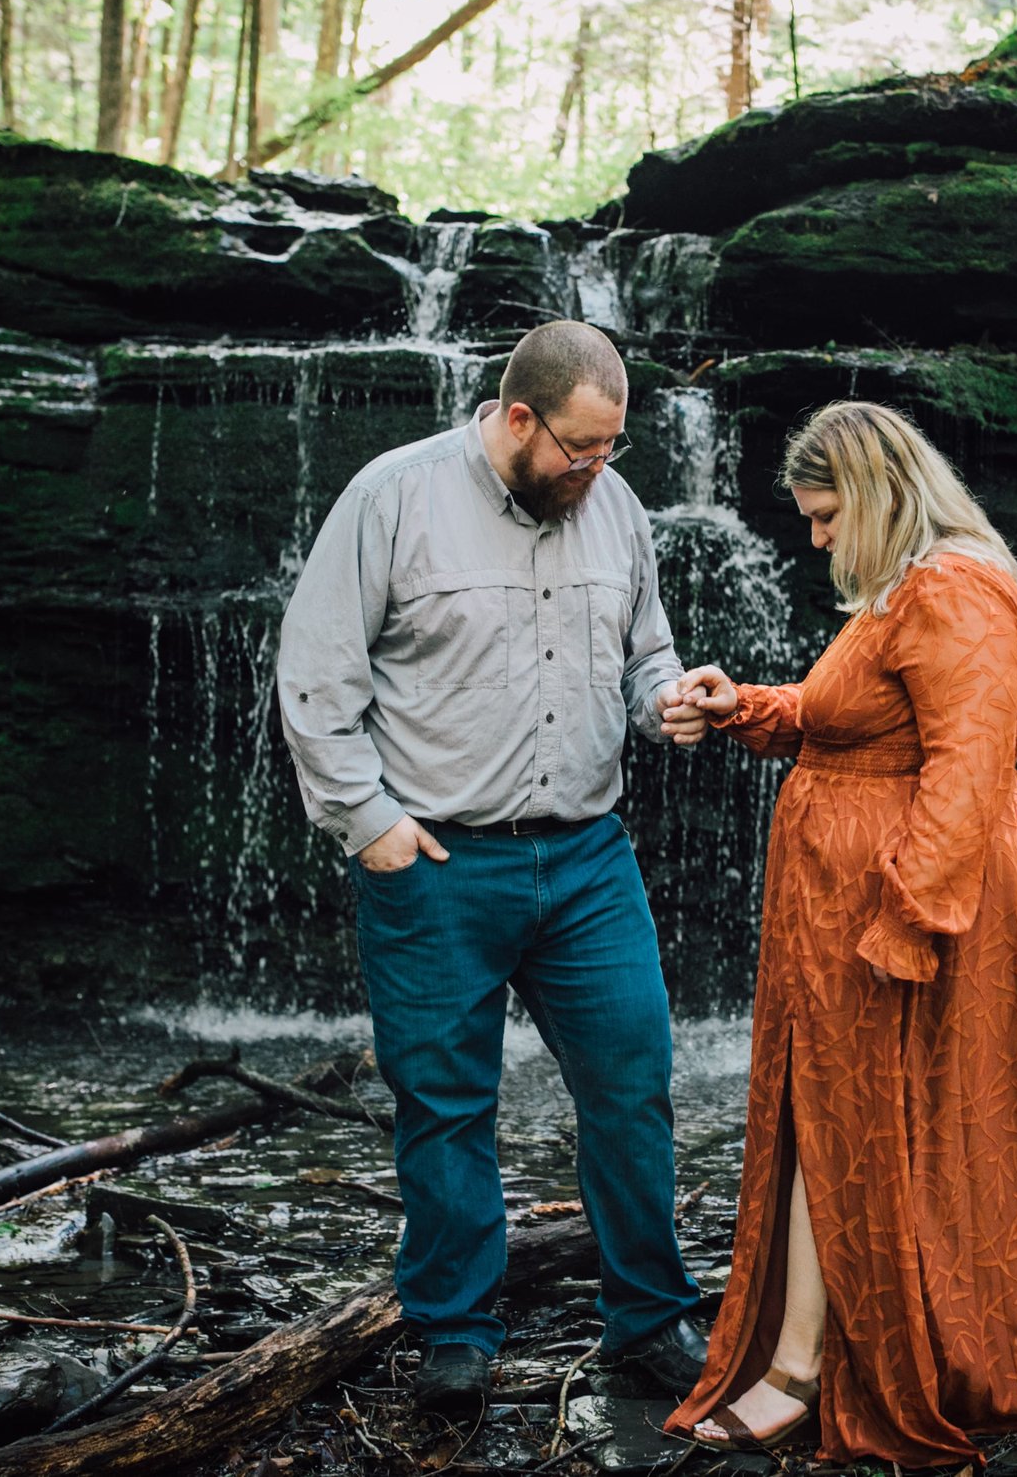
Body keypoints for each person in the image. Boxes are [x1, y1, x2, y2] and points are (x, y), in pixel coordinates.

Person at [662, 402, 1017, 1465]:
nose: (818, 539)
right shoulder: (910, 589)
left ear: (879, 492)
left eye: (826, 515)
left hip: (905, 906)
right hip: (858, 902)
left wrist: (906, 922)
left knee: (856, 1119)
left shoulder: (955, 591)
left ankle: (801, 1363)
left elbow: (965, 770)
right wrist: (747, 705)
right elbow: (857, 713)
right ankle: (822, 1342)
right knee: (838, 1115)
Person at [275, 320, 714, 1413]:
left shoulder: (614, 506)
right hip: (435, 860)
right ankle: (455, 1331)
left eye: (612, 446)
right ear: (517, 418)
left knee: (631, 1086)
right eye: (579, 446)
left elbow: (644, 651)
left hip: (587, 858)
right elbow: (317, 676)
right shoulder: (392, 498)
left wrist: (669, 703)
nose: (597, 467)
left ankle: (649, 1322)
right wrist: (365, 819)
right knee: (443, 1105)